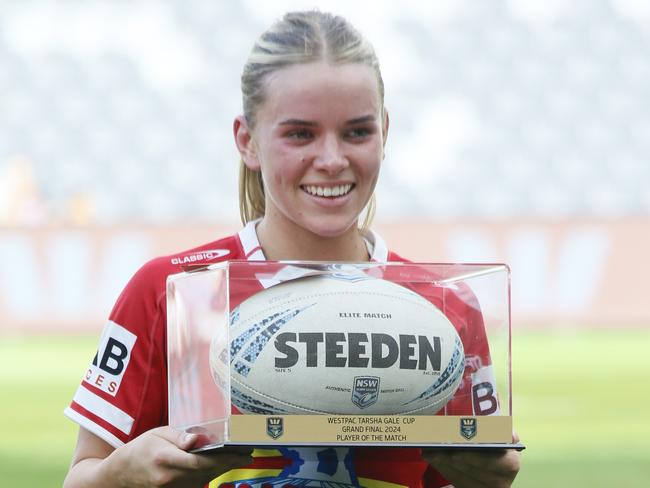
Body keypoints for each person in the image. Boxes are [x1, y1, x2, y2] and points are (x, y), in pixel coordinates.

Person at [63, 10, 521, 488]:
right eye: (300, 133)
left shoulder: (446, 307)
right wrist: (120, 476)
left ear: (385, 132)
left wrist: (486, 481)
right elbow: (81, 479)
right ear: (247, 141)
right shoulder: (170, 293)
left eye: (357, 132)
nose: (331, 159)